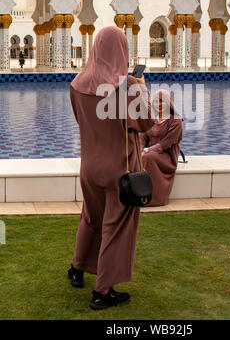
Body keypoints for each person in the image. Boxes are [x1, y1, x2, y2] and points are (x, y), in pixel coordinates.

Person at [68, 26, 154, 310]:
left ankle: (77, 269)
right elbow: (146, 124)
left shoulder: (78, 83)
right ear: (122, 50)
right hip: (119, 171)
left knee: (91, 218)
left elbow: (83, 120)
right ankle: (103, 292)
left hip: (90, 166)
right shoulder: (126, 89)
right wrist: (140, 86)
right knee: (115, 227)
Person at [139, 89, 183, 207]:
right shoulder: (151, 118)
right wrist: (141, 150)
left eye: (161, 101)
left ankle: (154, 198)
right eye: (155, 102)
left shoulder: (175, 120)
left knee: (149, 158)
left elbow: (166, 143)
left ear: (168, 102)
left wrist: (147, 150)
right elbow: (142, 138)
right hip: (149, 153)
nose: (158, 104)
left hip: (166, 155)